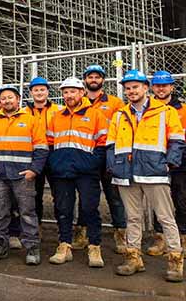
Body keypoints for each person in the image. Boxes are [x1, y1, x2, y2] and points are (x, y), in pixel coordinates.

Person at [107, 70, 186, 282]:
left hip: (154, 172)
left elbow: (177, 140)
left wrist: (169, 163)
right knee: (132, 218)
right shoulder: (120, 115)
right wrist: (113, 166)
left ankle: (175, 260)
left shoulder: (165, 111)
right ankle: (133, 258)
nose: (131, 91)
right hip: (126, 173)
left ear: (145, 88)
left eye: (135, 87)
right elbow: (110, 144)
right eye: (128, 88)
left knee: (166, 217)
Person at [0, 84, 47, 265]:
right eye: (3, 98)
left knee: (27, 213)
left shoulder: (31, 120)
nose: (7, 101)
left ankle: (32, 247)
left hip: (23, 176)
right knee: (1, 213)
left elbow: (41, 148)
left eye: (10, 97)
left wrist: (34, 170)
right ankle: (0, 245)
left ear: (18, 99)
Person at [46, 77, 105, 268]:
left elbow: (103, 143)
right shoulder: (56, 117)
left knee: (89, 208)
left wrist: (93, 163)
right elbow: (49, 143)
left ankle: (94, 246)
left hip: (87, 171)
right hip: (62, 170)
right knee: (63, 209)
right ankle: (64, 245)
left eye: (73, 91)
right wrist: (54, 163)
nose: (69, 95)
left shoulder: (95, 115)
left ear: (82, 93)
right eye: (65, 92)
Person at [147, 71, 186, 259]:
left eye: (165, 85)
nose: (161, 89)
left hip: (180, 166)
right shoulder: (148, 110)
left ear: (172, 87)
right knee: (158, 205)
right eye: (158, 86)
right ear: (152, 88)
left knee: (181, 203)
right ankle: (161, 240)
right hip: (156, 165)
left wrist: (179, 159)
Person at [83, 63, 128, 253]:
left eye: (97, 77)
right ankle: (83, 233)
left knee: (115, 197)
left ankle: (121, 235)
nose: (93, 80)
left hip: (109, 155)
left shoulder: (116, 103)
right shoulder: (79, 101)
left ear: (102, 80)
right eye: (90, 77)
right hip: (87, 155)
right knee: (86, 198)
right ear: (85, 80)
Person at [26, 76, 59, 226]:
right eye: (36, 90)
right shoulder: (24, 112)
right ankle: (35, 228)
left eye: (42, 89)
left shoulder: (58, 110)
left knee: (59, 194)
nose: (39, 92)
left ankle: (62, 230)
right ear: (31, 93)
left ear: (47, 92)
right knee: (34, 194)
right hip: (33, 156)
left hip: (54, 154)